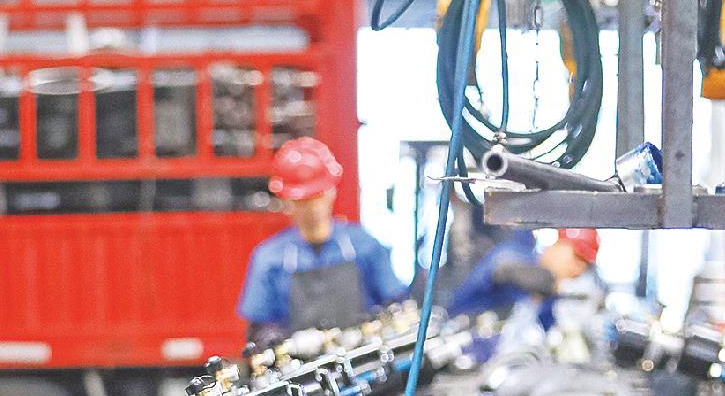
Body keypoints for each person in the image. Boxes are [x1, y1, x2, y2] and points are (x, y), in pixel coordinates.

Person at [237, 137, 406, 344]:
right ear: (286, 201)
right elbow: (258, 327)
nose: (312, 207)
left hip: (364, 357)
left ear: (332, 191)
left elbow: (396, 305)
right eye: (303, 201)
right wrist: (277, 340)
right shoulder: (269, 259)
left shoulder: (365, 246)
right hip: (300, 362)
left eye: (317, 196)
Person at [446, 227, 602, 328]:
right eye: (577, 258)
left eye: (585, 266)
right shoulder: (514, 254)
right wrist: (543, 282)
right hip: (455, 341)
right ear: (558, 245)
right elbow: (502, 266)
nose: (578, 270)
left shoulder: (550, 298)